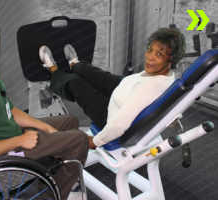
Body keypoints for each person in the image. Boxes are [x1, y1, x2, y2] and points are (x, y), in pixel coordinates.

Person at [0, 9, 88, 200]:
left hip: (10, 134)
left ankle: (57, 177)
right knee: (79, 140)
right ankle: (51, 194)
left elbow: (9, 110)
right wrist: (19, 141)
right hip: (6, 155)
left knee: (69, 121)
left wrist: (41, 125)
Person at [39, 28, 186, 150]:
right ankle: (75, 64)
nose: (150, 57)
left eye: (159, 54)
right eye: (150, 50)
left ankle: (53, 71)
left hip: (108, 114)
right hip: (125, 88)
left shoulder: (150, 88)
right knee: (94, 73)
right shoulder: (166, 74)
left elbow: (119, 125)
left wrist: (94, 142)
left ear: (171, 61)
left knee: (76, 83)